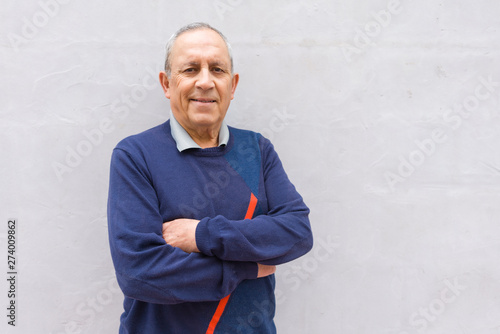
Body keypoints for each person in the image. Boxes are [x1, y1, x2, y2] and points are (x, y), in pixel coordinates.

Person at [107, 22, 313, 334]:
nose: (205, 81)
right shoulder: (135, 155)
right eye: (190, 69)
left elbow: (296, 232)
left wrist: (201, 235)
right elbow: (140, 272)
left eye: (217, 69)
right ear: (166, 83)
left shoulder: (256, 149)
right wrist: (245, 266)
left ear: (232, 85)